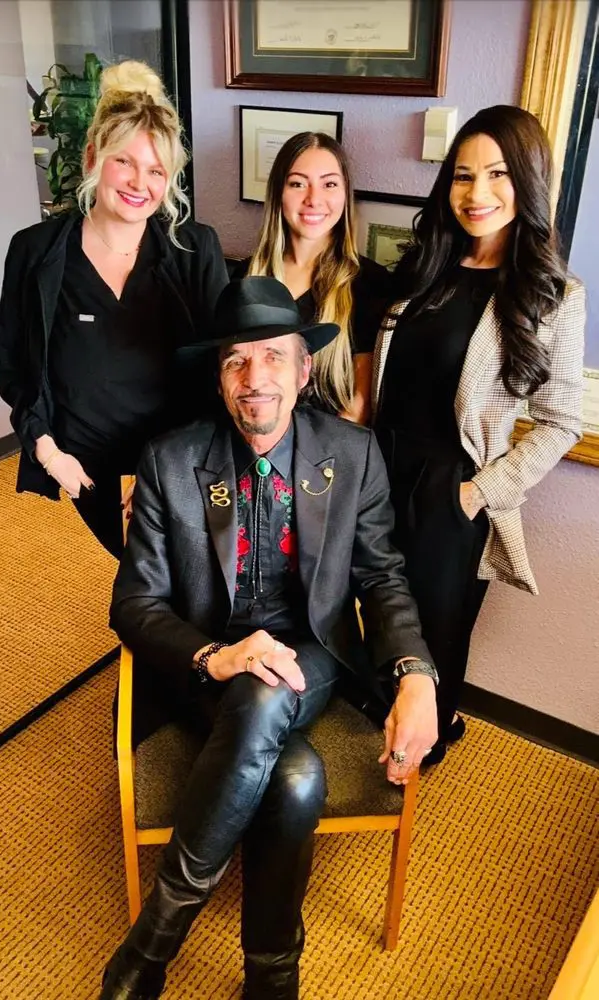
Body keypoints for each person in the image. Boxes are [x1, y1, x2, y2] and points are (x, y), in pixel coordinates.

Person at [99, 276, 438, 1000]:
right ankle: (271, 975)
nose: (256, 379)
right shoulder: (171, 460)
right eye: (236, 362)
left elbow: (382, 579)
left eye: (273, 357)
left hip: (309, 656)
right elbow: (133, 603)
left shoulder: (351, 454)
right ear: (219, 379)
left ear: (304, 368)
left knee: (265, 688)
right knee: (297, 777)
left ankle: (151, 947)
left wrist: (414, 672)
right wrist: (214, 655)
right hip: (204, 662)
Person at [372, 105, 585, 766]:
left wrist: (476, 494)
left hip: (449, 486)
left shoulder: (552, 295)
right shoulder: (422, 266)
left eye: (496, 174)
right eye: (462, 176)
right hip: (375, 466)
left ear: (526, 181)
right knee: (363, 607)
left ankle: (422, 746)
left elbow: (560, 423)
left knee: (433, 631)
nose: (475, 193)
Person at [0, 60, 228, 558]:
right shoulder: (36, 252)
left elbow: (220, 365)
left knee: (193, 575)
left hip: (180, 461)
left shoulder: (194, 250)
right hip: (89, 464)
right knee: (140, 571)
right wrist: (47, 451)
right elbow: (10, 360)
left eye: (156, 170)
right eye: (126, 162)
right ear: (95, 156)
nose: (139, 183)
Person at [235, 131, 390, 424]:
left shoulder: (370, 283)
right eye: (297, 184)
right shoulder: (245, 278)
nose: (313, 199)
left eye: (329, 184)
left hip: (326, 458)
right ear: (278, 194)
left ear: (346, 194)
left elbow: (359, 405)